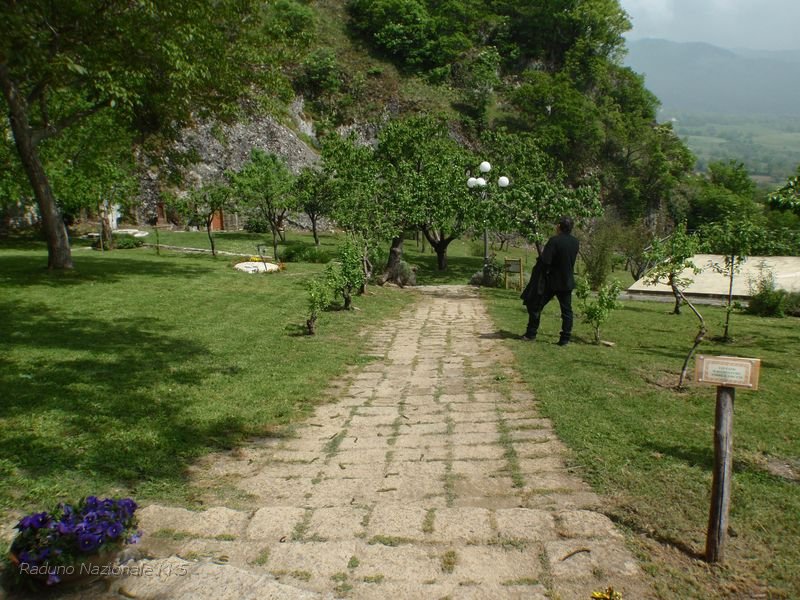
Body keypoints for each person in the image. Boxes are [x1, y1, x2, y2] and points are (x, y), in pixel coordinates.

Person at [520, 216, 580, 345]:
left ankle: (531, 334)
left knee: (535, 306)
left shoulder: (554, 241)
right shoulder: (575, 242)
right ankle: (565, 339)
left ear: (559, 226)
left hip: (551, 281)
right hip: (566, 281)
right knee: (567, 312)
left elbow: (546, 261)